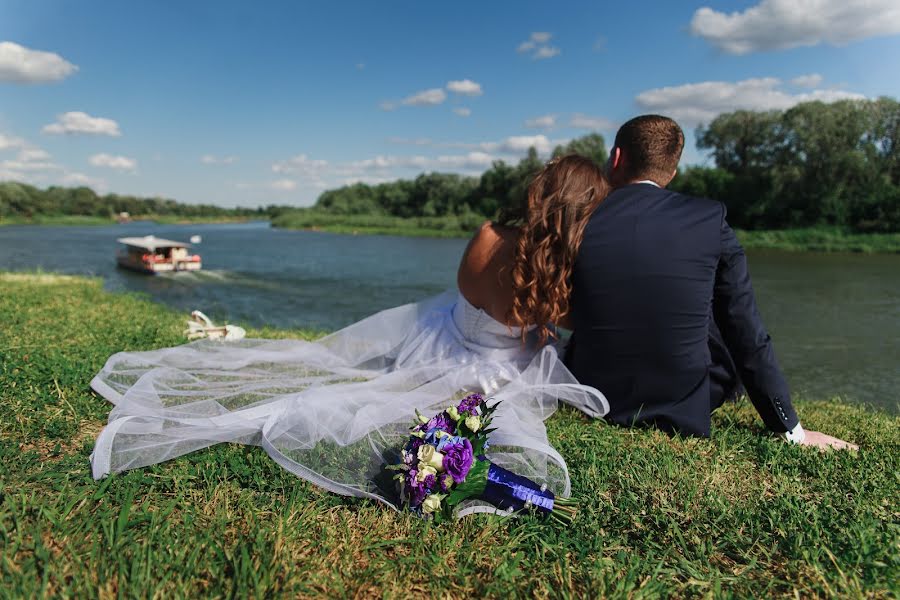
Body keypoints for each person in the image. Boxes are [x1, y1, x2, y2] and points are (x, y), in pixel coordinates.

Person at [89, 155, 612, 512]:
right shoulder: (562, 275)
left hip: (438, 343)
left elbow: (464, 290)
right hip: (501, 370)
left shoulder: (487, 236)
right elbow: (559, 323)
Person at [566, 115, 856, 450]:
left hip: (590, 391)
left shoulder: (578, 218)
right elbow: (745, 326)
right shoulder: (709, 217)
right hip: (683, 404)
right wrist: (791, 429)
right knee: (720, 314)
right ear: (671, 171)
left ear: (616, 158)